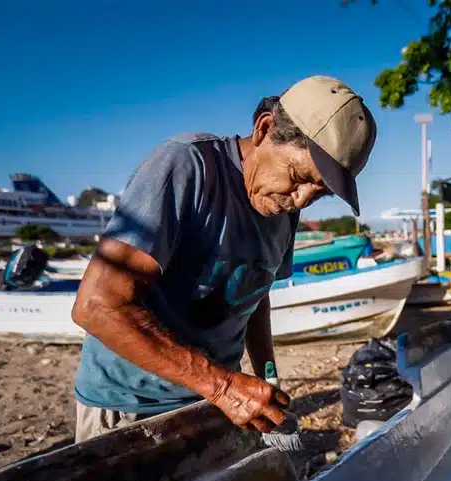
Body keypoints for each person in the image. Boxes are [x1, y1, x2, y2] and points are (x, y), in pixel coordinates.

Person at [71, 75, 377, 443]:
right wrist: (222, 386)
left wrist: (266, 377)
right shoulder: (187, 167)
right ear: (264, 129)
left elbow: (254, 295)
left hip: (212, 401)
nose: (300, 199)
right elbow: (96, 306)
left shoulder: (284, 211)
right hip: (132, 407)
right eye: (298, 177)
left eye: (320, 193)